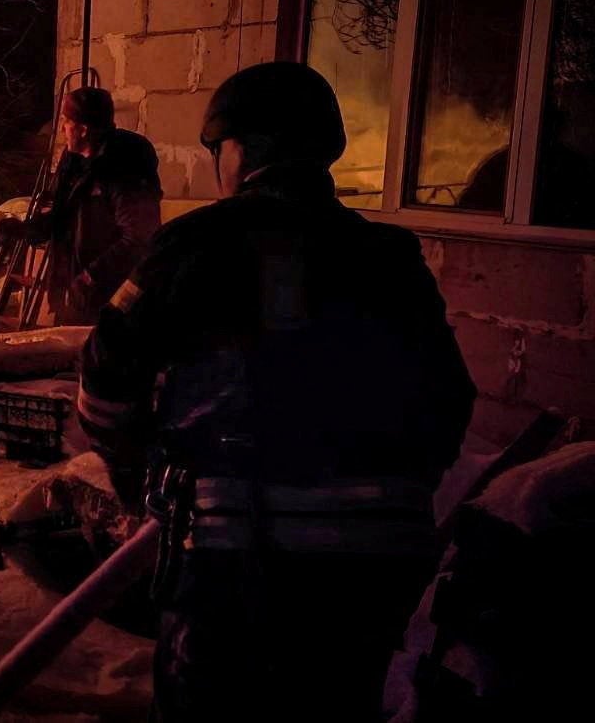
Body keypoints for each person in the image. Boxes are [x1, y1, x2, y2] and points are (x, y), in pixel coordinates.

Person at [75, 62, 476, 721]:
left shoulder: (196, 244)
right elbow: (449, 400)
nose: (216, 166)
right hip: (374, 582)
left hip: (238, 571)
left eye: (217, 150)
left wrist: (138, 476)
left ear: (248, 149)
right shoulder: (392, 258)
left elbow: (105, 376)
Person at [29, 86, 162, 325]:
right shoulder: (73, 165)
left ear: (83, 129)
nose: (62, 129)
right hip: (75, 296)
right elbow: (62, 216)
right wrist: (27, 230)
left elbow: (139, 237)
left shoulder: (123, 167)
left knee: (97, 358)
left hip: (110, 302)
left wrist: (90, 278)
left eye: (66, 121)